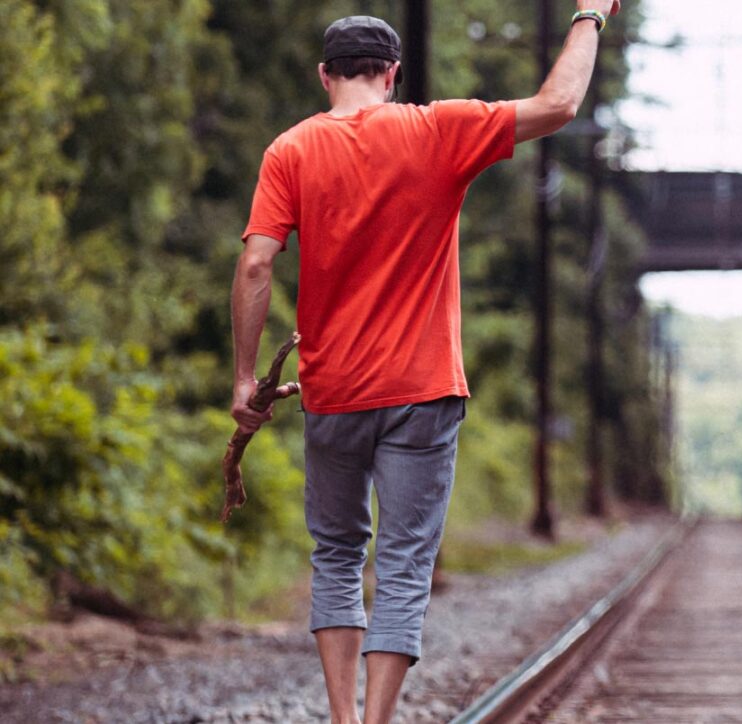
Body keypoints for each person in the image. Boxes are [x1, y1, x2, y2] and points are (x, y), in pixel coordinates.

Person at [229, 4, 619, 722]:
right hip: (422, 390)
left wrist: (247, 380)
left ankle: (342, 720)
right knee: (404, 565)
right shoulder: (438, 129)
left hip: (335, 391)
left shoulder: (289, 150)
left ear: (325, 76)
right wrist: (589, 14)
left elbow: (257, 264)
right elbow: (560, 103)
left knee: (338, 556)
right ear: (393, 74)